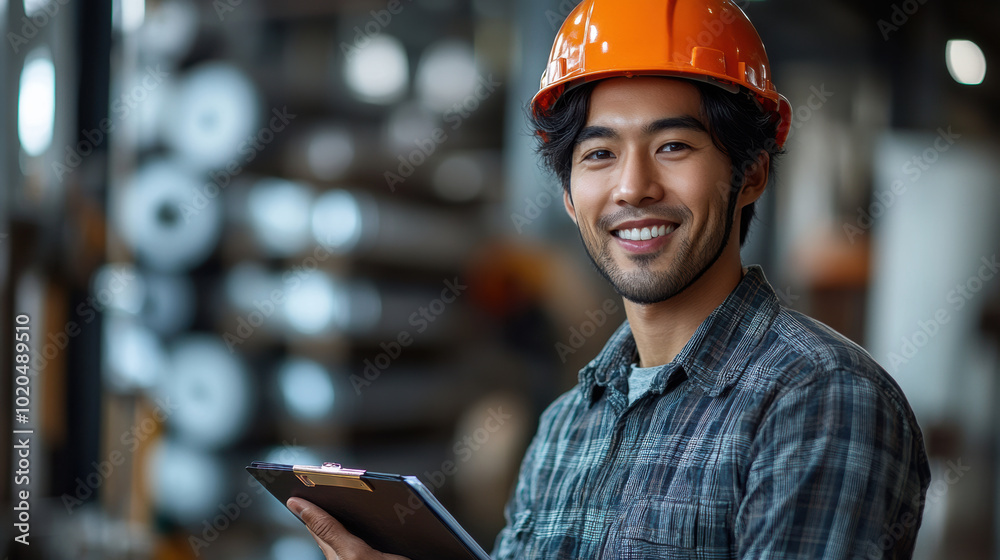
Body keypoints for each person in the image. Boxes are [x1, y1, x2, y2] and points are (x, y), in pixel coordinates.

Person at [288, 0, 931, 557]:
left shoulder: (816, 400)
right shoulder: (567, 427)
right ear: (570, 197)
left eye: (673, 146)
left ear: (752, 173)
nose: (632, 187)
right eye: (598, 154)